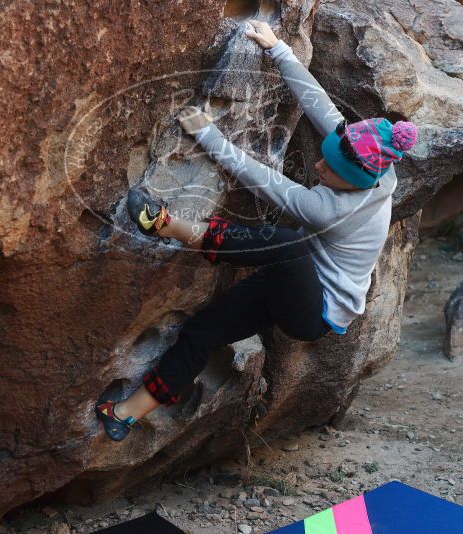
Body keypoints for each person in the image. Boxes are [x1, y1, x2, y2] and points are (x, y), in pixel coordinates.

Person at [95, 20, 417, 441]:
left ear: (354, 182)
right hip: (289, 279)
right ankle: (124, 414)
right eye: (324, 160)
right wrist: (278, 48)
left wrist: (208, 136)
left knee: (287, 244)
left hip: (314, 312)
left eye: (331, 171)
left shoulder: (328, 209)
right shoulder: (378, 167)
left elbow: (262, 179)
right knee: (202, 331)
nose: (319, 167)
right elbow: (320, 106)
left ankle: (167, 225)